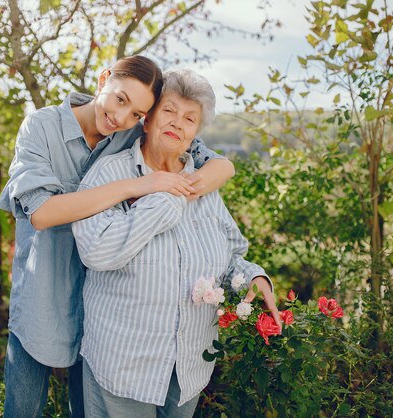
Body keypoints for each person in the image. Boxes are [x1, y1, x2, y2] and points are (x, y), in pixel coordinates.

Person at [0, 56, 236, 417]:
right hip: (47, 288)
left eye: (138, 113)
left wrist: (220, 169)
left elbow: (206, 156)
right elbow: (43, 214)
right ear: (103, 78)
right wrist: (140, 185)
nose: (123, 117)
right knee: (24, 407)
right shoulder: (42, 126)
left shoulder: (129, 126)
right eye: (120, 99)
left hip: (104, 302)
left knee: (87, 407)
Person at [72, 68, 281, 417]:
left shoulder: (202, 182)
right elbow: (97, 252)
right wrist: (168, 196)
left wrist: (253, 276)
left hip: (188, 367)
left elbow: (228, 255)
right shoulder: (110, 174)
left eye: (189, 118)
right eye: (169, 111)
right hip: (123, 365)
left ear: (196, 132)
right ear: (148, 118)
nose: (177, 123)